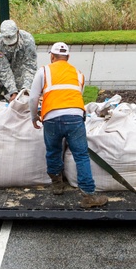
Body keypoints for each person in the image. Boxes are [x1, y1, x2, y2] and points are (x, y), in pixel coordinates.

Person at [29, 42, 107, 208]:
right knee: (81, 155)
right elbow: (77, 95)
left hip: (51, 117)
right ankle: (88, 196)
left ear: (52, 56)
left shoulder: (43, 71)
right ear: (68, 57)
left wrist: (34, 117)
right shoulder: (79, 74)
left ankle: (57, 184)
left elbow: (33, 97)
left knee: (53, 150)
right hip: (74, 118)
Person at [0, 19, 38, 103]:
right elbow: (3, 69)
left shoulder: (28, 40)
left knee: (19, 102)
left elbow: (30, 66)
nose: (10, 44)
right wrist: (13, 91)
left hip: (19, 73)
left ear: (17, 32)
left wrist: (25, 89)